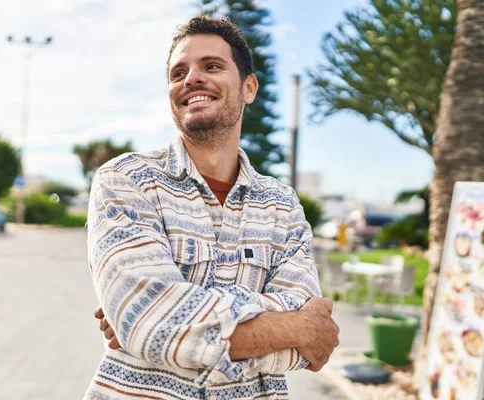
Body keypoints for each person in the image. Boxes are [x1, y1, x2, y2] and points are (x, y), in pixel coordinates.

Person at [85, 15, 339, 400]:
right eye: (178, 73)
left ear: (249, 87)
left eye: (212, 66)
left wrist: (170, 325)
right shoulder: (126, 180)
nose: (191, 79)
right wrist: (298, 328)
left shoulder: (282, 205)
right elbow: (151, 326)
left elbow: (305, 353)